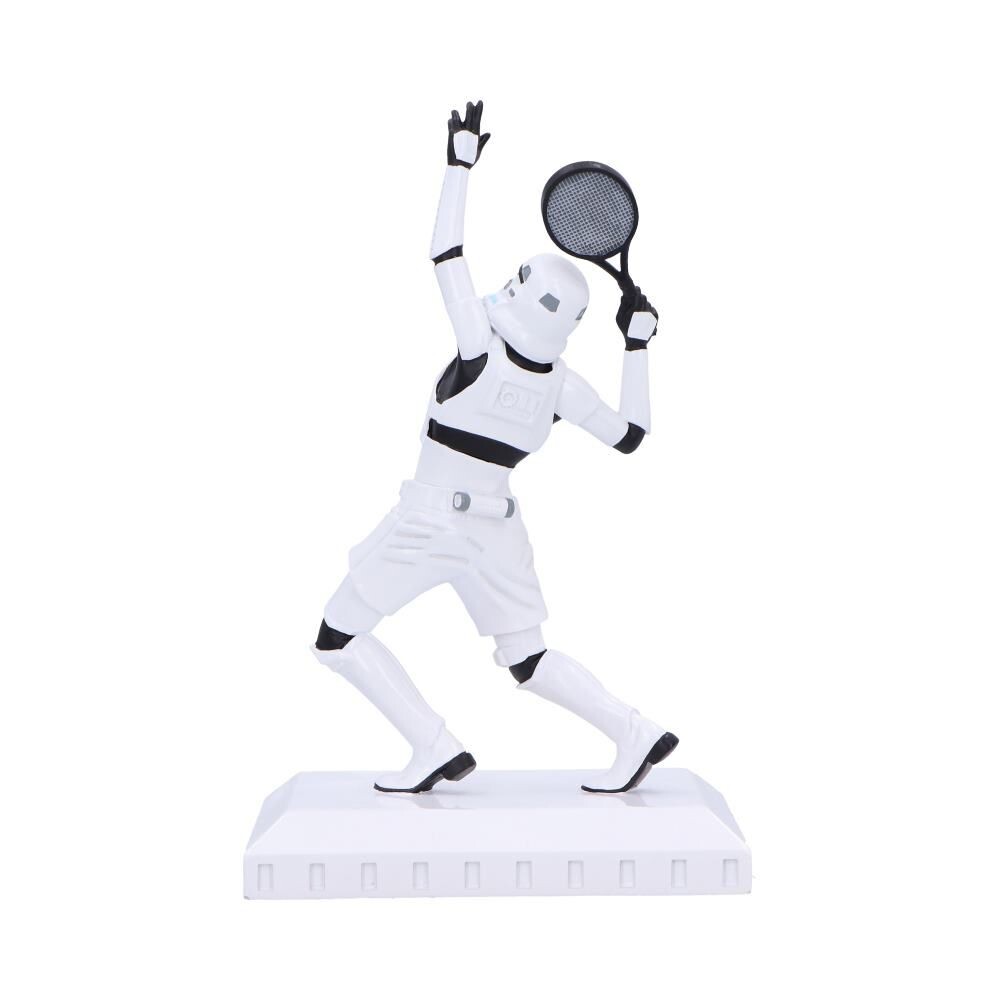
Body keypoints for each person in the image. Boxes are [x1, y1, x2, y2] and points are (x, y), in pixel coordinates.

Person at [313, 101, 677, 793]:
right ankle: (633, 730)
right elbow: (630, 436)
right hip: (499, 530)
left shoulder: (480, 344)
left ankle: (433, 745)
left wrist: (459, 165)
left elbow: (444, 254)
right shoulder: (562, 385)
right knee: (527, 658)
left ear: (519, 295)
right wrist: (637, 346)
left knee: (337, 636)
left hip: (430, 521)